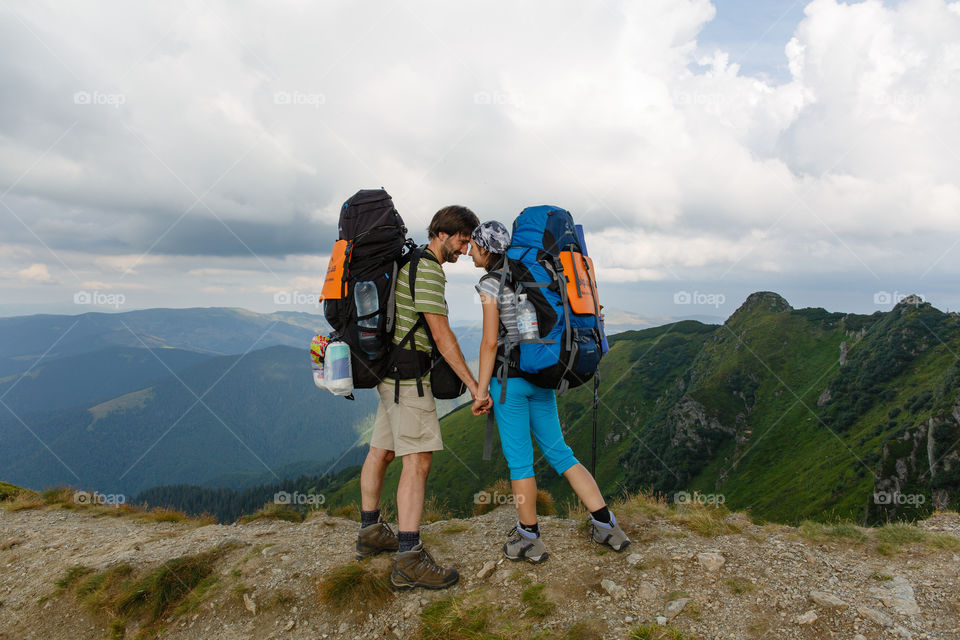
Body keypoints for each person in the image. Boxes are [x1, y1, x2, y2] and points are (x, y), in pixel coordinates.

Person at [468, 220, 630, 563]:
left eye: (473, 246)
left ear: (485, 249)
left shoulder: (490, 283)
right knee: (561, 454)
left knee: (520, 463)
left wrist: (480, 392)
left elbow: (488, 342)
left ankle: (528, 538)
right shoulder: (535, 276)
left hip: (508, 383)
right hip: (542, 374)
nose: (469, 252)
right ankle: (607, 525)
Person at [356, 205, 490, 590]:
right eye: (462, 241)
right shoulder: (428, 269)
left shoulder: (408, 261)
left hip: (388, 374)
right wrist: (474, 386)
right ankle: (409, 559)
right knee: (418, 462)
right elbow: (442, 335)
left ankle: (370, 533)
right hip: (408, 381)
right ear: (443, 234)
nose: (464, 251)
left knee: (381, 450)